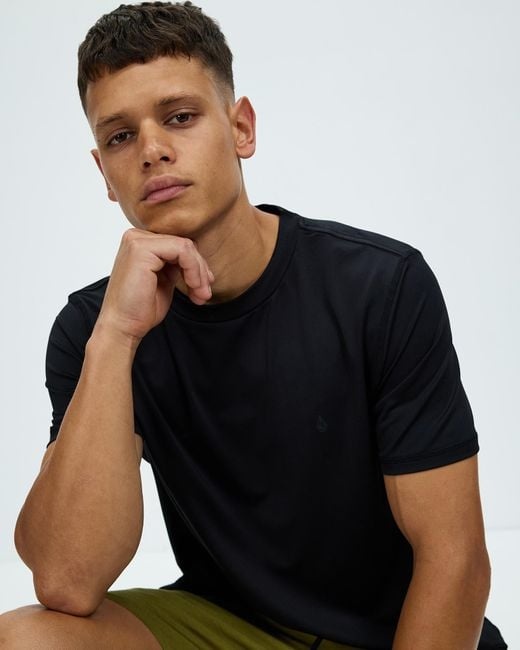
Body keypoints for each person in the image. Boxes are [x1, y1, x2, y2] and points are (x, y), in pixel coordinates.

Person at [0, 2, 508, 648]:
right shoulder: (94, 330)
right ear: (104, 172)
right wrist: (117, 337)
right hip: (234, 628)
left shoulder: (380, 287)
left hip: (392, 636)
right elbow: (67, 579)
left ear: (241, 128)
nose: (152, 150)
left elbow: (456, 560)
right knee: (26, 639)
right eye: (121, 136)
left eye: (179, 117)